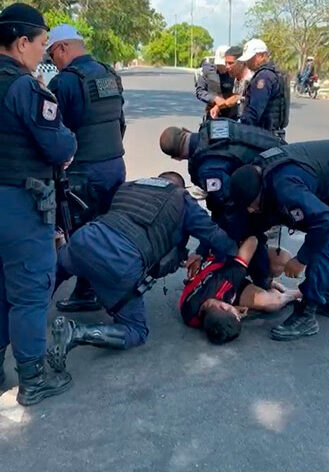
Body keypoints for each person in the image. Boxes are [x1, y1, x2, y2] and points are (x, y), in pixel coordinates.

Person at [47, 172, 238, 372]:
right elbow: (214, 234)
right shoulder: (182, 199)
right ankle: (77, 332)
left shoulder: (130, 186)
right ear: (180, 187)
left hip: (83, 240)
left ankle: (31, 318)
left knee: (56, 270)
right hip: (120, 263)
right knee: (136, 331)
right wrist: (238, 253)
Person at [229, 139, 329, 341]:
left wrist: (301, 259)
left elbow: (325, 222)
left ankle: (306, 315)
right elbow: (255, 227)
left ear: (259, 192)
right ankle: (328, 298)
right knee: (320, 236)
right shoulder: (259, 177)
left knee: (327, 244)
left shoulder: (283, 186)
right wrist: (263, 281)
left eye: (252, 204)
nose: (251, 210)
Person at [0, 3, 77, 405]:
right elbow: (59, 143)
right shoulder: (23, 86)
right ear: (22, 41)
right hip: (19, 202)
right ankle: (32, 380)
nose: (44, 53)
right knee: (30, 290)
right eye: (42, 43)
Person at [46, 24, 127, 313]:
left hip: (83, 173)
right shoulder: (109, 74)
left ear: (63, 48)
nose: (51, 61)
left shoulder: (64, 83)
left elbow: (53, 136)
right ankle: (104, 285)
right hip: (115, 164)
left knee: (80, 235)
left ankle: (88, 290)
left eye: (52, 54)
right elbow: (120, 121)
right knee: (108, 227)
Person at [159, 120, 283, 288]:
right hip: (281, 159)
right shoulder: (212, 126)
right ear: (185, 130)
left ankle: (258, 282)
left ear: (176, 157)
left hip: (271, 187)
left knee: (244, 231)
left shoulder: (208, 169)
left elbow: (228, 207)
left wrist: (219, 246)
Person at [180, 236, 301, 344]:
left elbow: (252, 240)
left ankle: (283, 287)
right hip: (223, 283)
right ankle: (296, 294)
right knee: (271, 303)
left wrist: (261, 279)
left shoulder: (226, 280)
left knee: (281, 261)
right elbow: (213, 324)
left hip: (227, 261)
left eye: (235, 314)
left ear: (224, 307)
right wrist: (237, 313)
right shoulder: (190, 316)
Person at [238, 39, 289, 139]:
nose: (247, 62)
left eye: (250, 58)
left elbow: (255, 110)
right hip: (270, 134)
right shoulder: (271, 73)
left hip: (264, 135)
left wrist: (241, 130)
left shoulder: (264, 77)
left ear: (261, 56)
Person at [210, 45, 253, 120]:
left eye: (230, 63)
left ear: (241, 63)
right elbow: (236, 97)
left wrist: (219, 106)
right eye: (226, 63)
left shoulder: (251, 79)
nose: (227, 67)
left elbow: (236, 98)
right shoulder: (237, 79)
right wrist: (217, 107)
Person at [195, 45, 235, 120]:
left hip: (232, 116)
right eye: (219, 65)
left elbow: (240, 93)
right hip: (212, 114)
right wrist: (214, 98)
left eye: (223, 65)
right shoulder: (206, 71)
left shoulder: (236, 73)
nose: (221, 67)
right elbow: (200, 92)